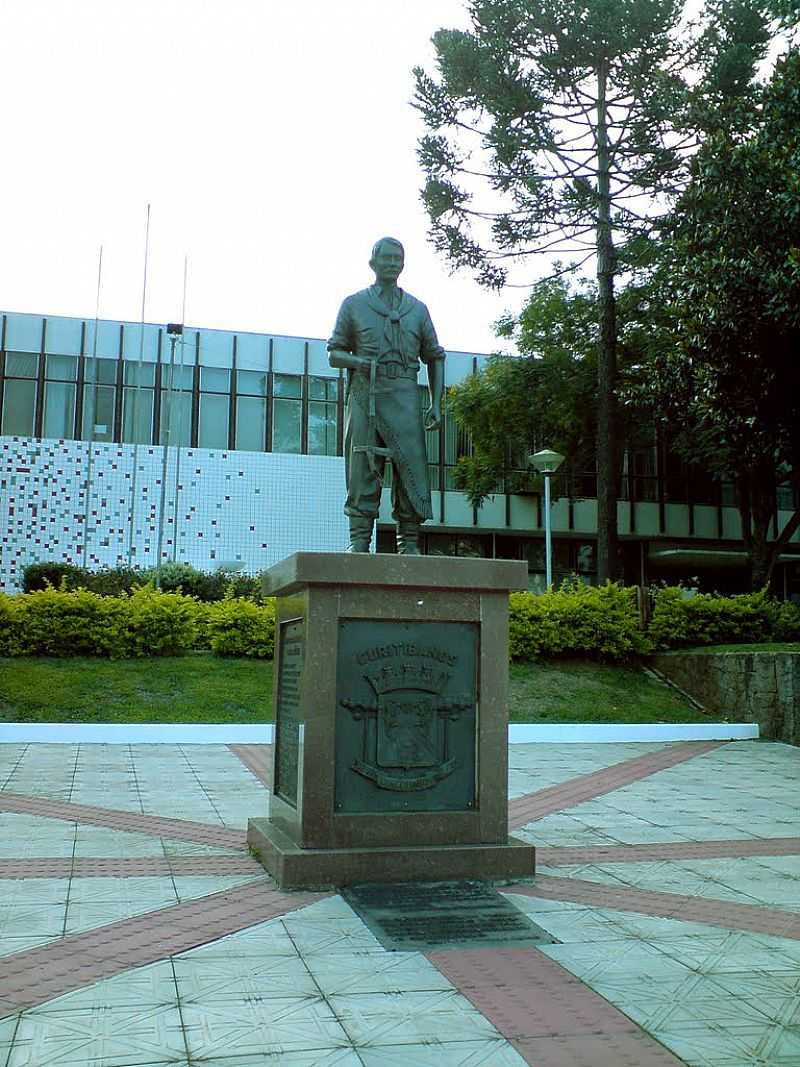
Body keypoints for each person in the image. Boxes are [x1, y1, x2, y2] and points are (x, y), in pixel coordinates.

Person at [328, 237, 445, 554]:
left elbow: (435, 355)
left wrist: (436, 403)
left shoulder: (417, 310)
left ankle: (408, 541)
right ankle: (360, 540)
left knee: (412, 467)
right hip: (366, 392)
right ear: (373, 263)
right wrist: (359, 362)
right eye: (387, 258)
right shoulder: (354, 304)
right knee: (361, 466)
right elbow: (334, 353)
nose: (393, 263)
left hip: (406, 394)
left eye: (398, 258)